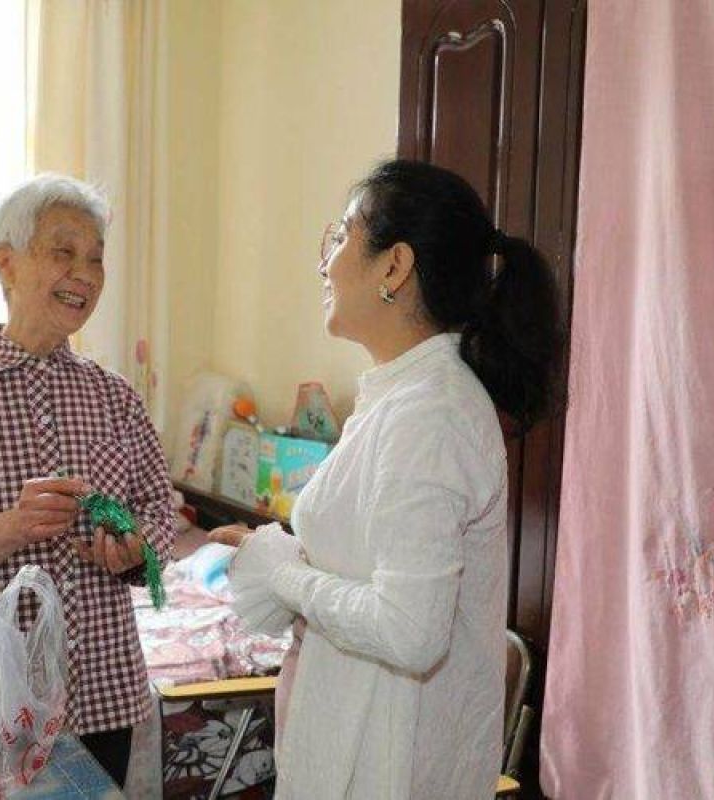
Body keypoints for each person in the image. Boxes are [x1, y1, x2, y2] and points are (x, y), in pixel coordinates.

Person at [210, 159, 562, 799]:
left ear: (394, 267)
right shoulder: (401, 396)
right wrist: (277, 556)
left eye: (341, 237)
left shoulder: (431, 413)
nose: (325, 264)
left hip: (393, 770)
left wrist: (283, 574)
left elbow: (410, 630)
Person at [0, 173, 175, 787]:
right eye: (64, 252)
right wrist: (14, 527)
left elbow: (159, 515)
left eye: (96, 258)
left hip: (101, 687)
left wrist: (134, 549)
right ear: (6, 263)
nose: (85, 274)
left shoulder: (115, 397)